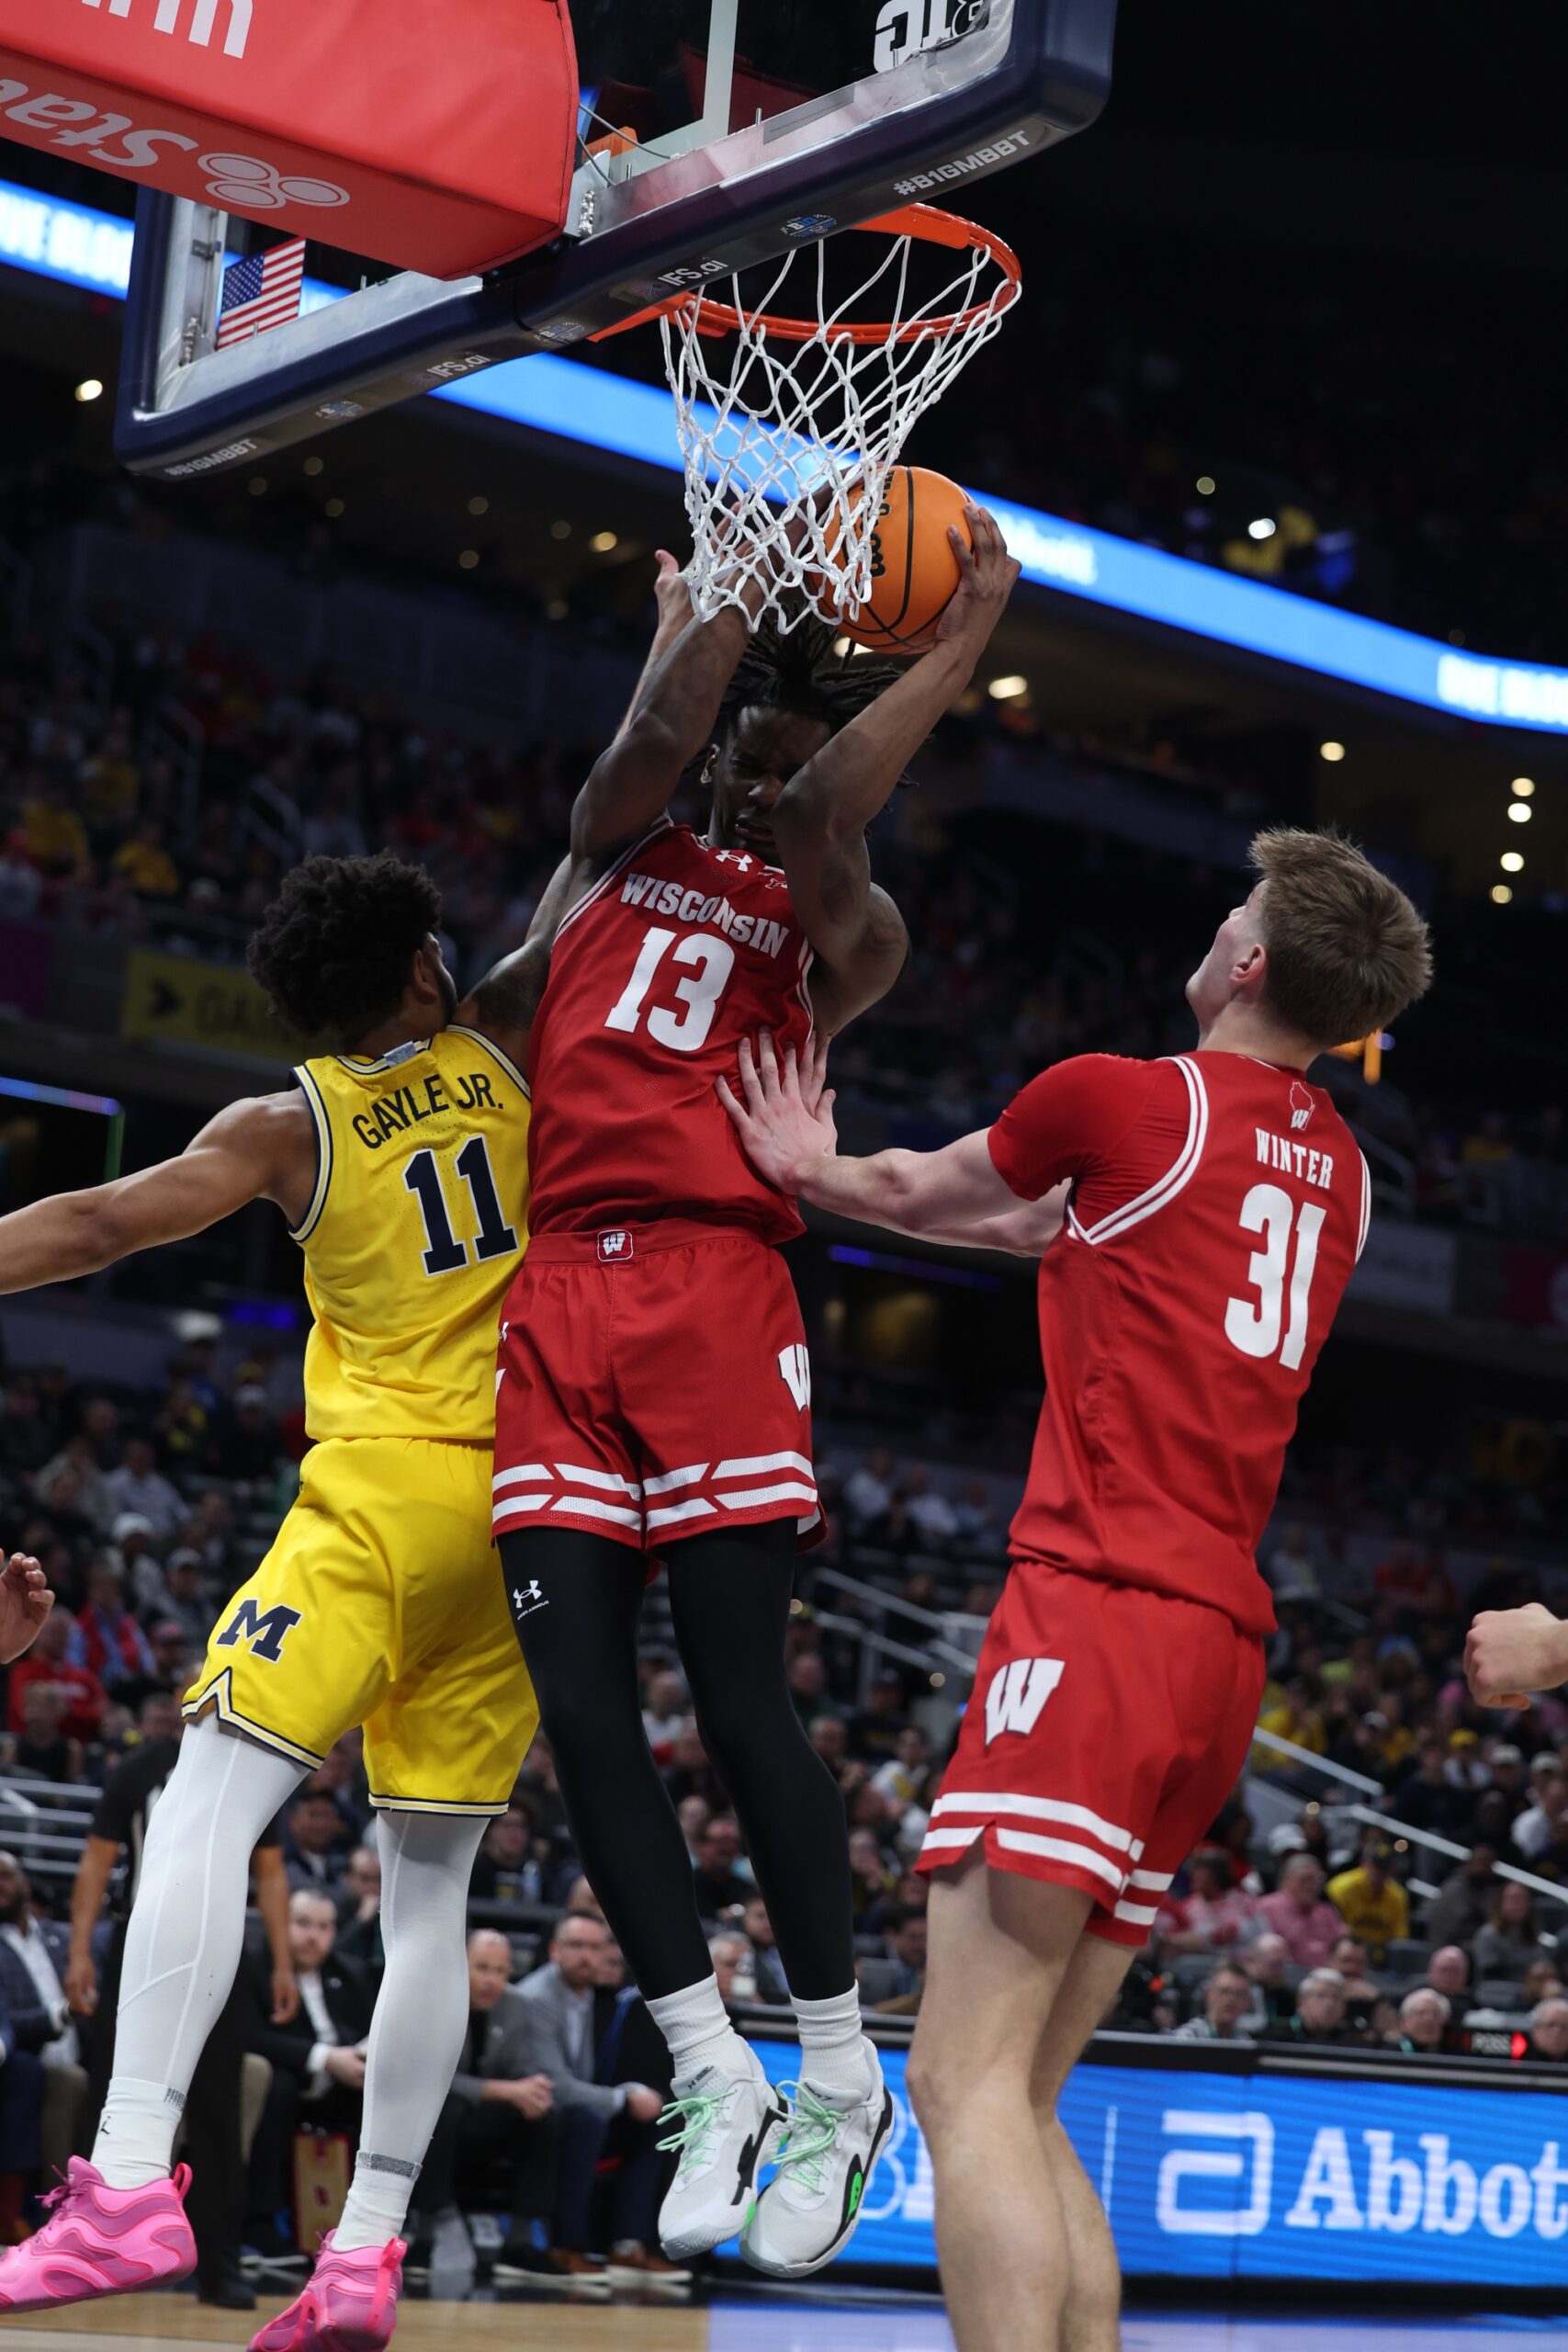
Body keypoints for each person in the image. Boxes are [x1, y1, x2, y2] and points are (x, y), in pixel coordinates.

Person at [720, 823, 1431, 2351]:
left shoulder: (1122, 1095)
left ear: (1247, 961)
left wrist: (803, 1168)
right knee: (1029, 2098)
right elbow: (1053, 1227)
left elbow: (926, 1184)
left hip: (1099, 1607)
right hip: (1221, 1643)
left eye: (1230, 909)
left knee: (959, 2082)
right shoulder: (1343, 1176)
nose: (1216, 925)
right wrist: (870, 1193)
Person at [492, 516, 1022, 2280]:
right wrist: (706, 601)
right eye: (751, 746)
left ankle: (835, 2067)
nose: (764, 782)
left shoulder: (837, 934)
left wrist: (963, 644)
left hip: (719, 1288)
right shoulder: (612, 843)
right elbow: (648, 745)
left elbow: (817, 823)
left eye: (803, 760)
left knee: (736, 1705)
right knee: (573, 1709)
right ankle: (707, 2066)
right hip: (558, 1285)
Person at [0, 850, 554, 2342]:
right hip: (522, 1517)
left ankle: (123, 2187)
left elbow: (104, 1223)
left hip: (379, 1503)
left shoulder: (292, 1119)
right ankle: (363, 2260)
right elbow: (586, 853)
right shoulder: (506, 1037)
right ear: (424, 973)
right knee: (431, 1889)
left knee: (198, 1804)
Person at [62, 1724, 296, 2310]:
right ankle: (85, 2247)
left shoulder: (253, 1773)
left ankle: (218, 2264)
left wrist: (284, 1963)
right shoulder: (139, 1768)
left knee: (218, 2108)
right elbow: (96, 1863)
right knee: (109, 2097)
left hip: (222, 1950)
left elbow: (269, 1874)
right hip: (140, 1941)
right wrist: (79, 1951)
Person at [515, 1915, 668, 2276]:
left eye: (595, 1947)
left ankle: (628, 2246)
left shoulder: (590, 1996)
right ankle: (566, 2246)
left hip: (572, 2107)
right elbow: (557, 2085)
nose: (586, 1956)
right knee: (589, 2122)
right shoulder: (536, 1997)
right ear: (555, 1950)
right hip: (531, 2110)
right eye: (576, 1946)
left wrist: (628, 2097)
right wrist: (623, 2098)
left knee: (652, 2124)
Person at [417, 1931, 570, 2286]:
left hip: (487, 2117)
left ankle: (522, 2240)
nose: (491, 1980)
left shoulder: (516, 2005)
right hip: (438, 2112)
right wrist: (506, 2090)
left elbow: (523, 2067)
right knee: (447, 2109)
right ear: (460, 1965)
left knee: (545, 2115)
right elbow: (431, 2078)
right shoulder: (435, 1999)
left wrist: (534, 2090)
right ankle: (425, 2235)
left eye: (501, 1971)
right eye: (482, 1968)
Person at [242, 1890, 375, 2265]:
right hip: (286, 2079)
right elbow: (251, 2035)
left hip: (341, 2084)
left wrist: (360, 2057)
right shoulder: (256, 1964)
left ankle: (371, 2228)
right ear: (281, 1923)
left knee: (387, 2096)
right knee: (277, 2085)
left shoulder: (347, 1973)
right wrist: (326, 2058)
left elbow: (367, 2029)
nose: (313, 1936)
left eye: (324, 1927)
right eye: (302, 1924)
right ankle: (260, 2224)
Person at [1325, 1838, 1410, 1967]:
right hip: (1346, 1954)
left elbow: (1399, 1939)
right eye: (1375, 1867)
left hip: (1380, 1961)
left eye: (1385, 1869)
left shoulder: (1398, 1896)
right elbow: (1334, 1931)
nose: (1379, 1873)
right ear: (1363, 1864)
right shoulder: (1341, 1888)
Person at [1262, 1968, 1362, 2050]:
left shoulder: (1352, 2041)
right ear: (1302, 2002)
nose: (1329, 2003)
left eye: (1336, 1997)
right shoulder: (1275, 2037)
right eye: (1321, 1996)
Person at [1472, 1882, 1548, 1983]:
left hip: (1531, 1993)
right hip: (1496, 1993)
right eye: (1513, 1899)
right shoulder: (1487, 1935)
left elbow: (1543, 1965)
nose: (1517, 1904)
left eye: (1523, 1899)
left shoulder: (1532, 1937)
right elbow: (1491, 1975)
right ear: (1501, 1903)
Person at [1169, 1963, 1254, 2043]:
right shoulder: (1185, 2039)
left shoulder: (1246, 2044)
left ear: (1248, 2002)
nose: (1231, 1999)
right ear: (1208, 1995)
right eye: (1224, 1991)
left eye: (1239, 1994)